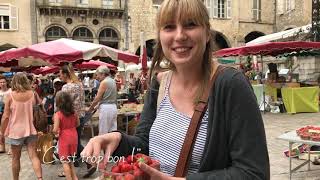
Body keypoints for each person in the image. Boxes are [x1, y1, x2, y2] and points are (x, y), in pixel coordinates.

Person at [81, 0, 269, 179]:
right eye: (169, 27)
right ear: (160, 36)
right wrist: (117, 139)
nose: (179, 36)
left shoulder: (231, 84)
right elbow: (145, 145)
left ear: (206, 33)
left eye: (190, 24)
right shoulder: (160, 83)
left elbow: (253, 173)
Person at [0, 72, 43, 180]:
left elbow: (5, 116)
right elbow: (40, 107)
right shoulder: (32, 94)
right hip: (31, 129)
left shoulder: (10, 96)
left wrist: (2, 131)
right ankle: (40, 178)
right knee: (33, 156)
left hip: (15, 132)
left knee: (15, 158)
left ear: (13, 81)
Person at [59, 64, 88, 172]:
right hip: (80, 116)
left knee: (69, 143)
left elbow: (64, 104)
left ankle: (88, 161)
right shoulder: (79, 84)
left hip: (70, 118)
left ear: (66, 74)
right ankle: (76, 161)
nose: (60, 76)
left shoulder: (66, 87)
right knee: (76, 141)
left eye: (61, 74)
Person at [52, 91, 79, 180]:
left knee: (64, 161)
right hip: (74, 136)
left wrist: (54, 132)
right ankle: (75, 177)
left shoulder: (58, 114)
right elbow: (77, 124)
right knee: (70, 160)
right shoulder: (74, 112)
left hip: (64, 138)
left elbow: (55, 129)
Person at [87, 65, 117, 135]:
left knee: (103, 132)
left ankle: (103, 145)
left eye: (98, 75)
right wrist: (97, 106)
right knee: (112, 131)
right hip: (113, 107)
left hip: (106, 108)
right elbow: (107, 96)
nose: (97, 77)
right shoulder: (113, 81)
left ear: (103, 74)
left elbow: (97, 98)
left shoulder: (104, 82)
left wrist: (90, 108)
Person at [0, 75, 10, 153]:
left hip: (9, 113)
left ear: (6, 83)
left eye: (4, 82)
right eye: (1, 82)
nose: (2, 83)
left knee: (9, 130)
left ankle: (11, 148)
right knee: (1, 131)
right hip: (0, 113)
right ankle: (2, 147)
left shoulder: (10, 91)